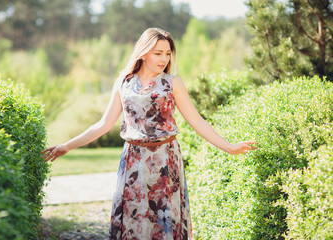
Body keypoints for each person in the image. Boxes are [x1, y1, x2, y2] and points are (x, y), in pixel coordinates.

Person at [42, 28, 257, 240]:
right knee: (134, 220)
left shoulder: (173, 83)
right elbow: (104, 124)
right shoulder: (123, 83)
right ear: (143, 52)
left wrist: (229, 147)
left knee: (164, 222)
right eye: (158, 53)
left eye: (167, 53)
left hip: (166, 159)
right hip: (133, 161)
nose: (164, 58)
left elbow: (197, 121)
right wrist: (67, 146)